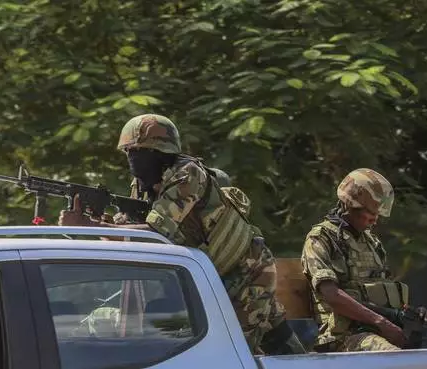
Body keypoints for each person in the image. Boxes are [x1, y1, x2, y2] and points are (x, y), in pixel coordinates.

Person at [58, 113, 305, 355]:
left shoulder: (187, 174)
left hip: (246, 272)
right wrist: (92, 224)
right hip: (215, 272)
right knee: (275, 333)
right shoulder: (144, 184)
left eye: (139, 151)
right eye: (128, 152)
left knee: (231, 351)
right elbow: (129, 237)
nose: (131, 158)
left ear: (160, 152)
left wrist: (93, 227)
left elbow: (155, 236)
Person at [301, 168, 427, 352]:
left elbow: (382, 291)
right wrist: (381, 323)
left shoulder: (372, 242)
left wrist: (412, 314)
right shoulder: (321, 238)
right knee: (394, 357)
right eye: (371, 212)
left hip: (377, 330)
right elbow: (331, 295)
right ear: (350, 204)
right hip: (343, 336)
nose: (375, 219)